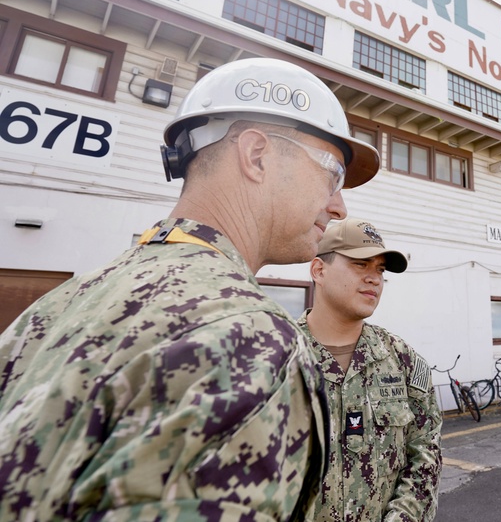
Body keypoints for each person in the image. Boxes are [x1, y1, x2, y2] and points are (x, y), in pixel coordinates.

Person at [0, 58, 380, 520]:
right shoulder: (250, 337)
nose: (339, 206)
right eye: (332, 174)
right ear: (257, 155)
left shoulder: (57, 306)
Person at [300, 217, 441, 521]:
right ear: (319, 270)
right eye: (360, 264)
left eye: (379, 269)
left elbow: (425, 459)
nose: (375, 278)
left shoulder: (403, 361)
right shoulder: (277, 355)